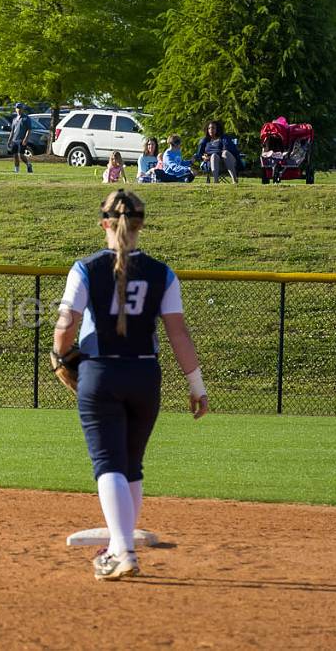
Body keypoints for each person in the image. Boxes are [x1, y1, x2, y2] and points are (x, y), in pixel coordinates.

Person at [53, 189, 208, 580]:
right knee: (131, 464)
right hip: (144, 375)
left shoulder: (85, 268)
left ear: (104, 223)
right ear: (140, 225)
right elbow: (178, 334)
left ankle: (121, 551)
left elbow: (66, 323)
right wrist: (197, 385)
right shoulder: (162, 273)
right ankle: (120, 545)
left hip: (100, 373)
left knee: (108, 463)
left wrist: (59, 355)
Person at [7, 103, 33, 174]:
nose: (18, 110)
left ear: (22, 109)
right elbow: (12, 131)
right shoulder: (14, 119)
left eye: (20, 108)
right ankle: (17, 170)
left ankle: (28, 164)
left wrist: (25, 139)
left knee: (21, 155)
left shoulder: (26, 118)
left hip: (22, 140)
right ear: (15, 109)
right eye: (17, 108)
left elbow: (29, 129)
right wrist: (9, 140)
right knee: (15, 155)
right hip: (14, 140)